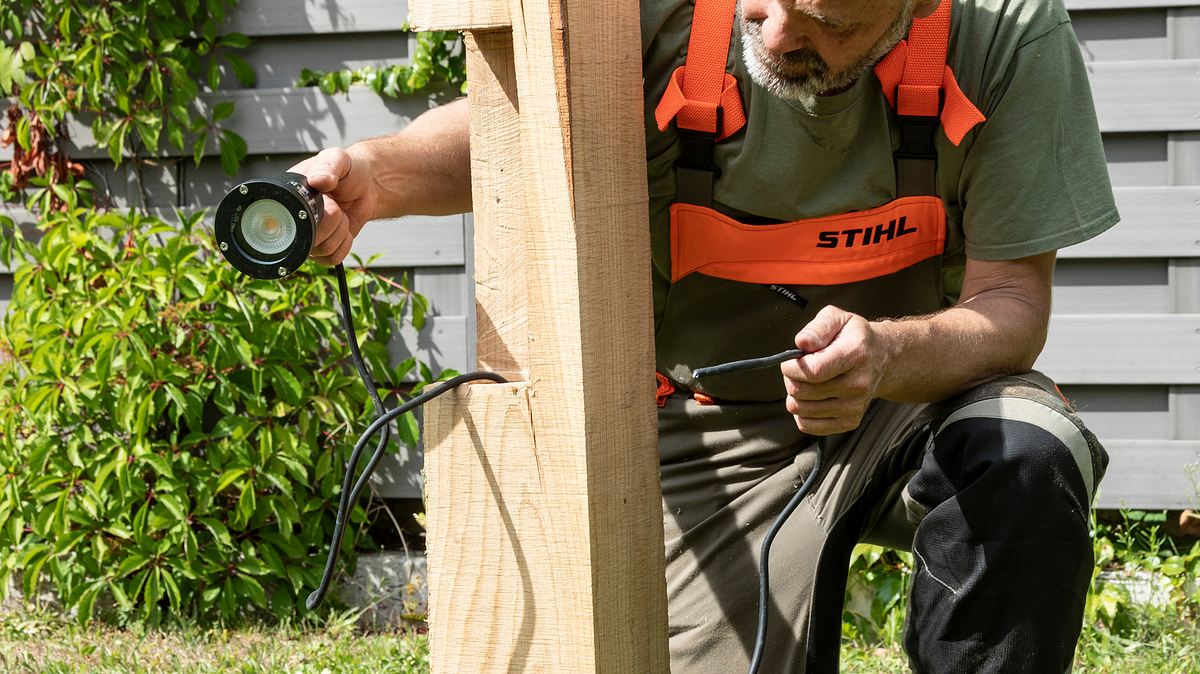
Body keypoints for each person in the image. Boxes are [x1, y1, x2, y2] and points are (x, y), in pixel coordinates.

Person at [291, 0, 1116, 670]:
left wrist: (887, 354)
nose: (782, 34)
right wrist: (380, 176)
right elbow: (517, 127)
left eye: (830, 22)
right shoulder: (658, 17)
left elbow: (1011, 302)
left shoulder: (1006, 35)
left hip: (913, 406)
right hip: (709, 432)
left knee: (1031, 451)